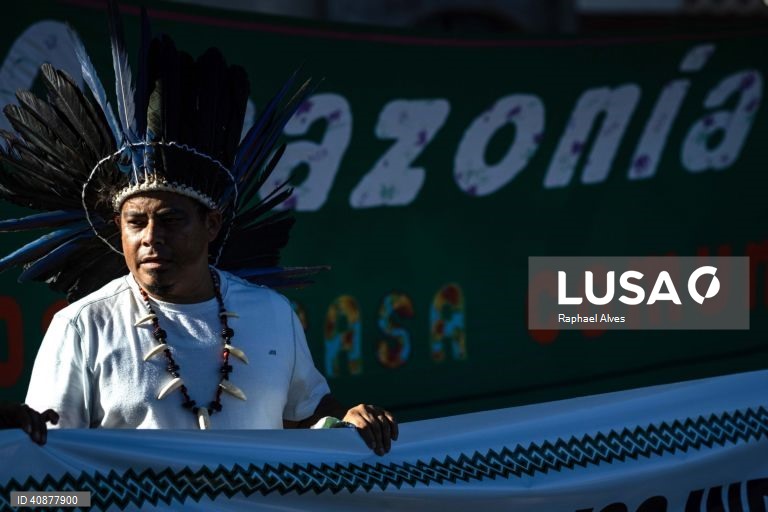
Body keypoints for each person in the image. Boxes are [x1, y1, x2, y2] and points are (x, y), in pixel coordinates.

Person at [0, 1, 397, 455]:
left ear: (211, 224)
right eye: (136, 222)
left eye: (170, 220)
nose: (151, 236)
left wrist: (350, 422)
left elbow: (308, 417)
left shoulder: (273, 314)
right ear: (119, 227)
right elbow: (41, 474)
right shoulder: (81, 327)